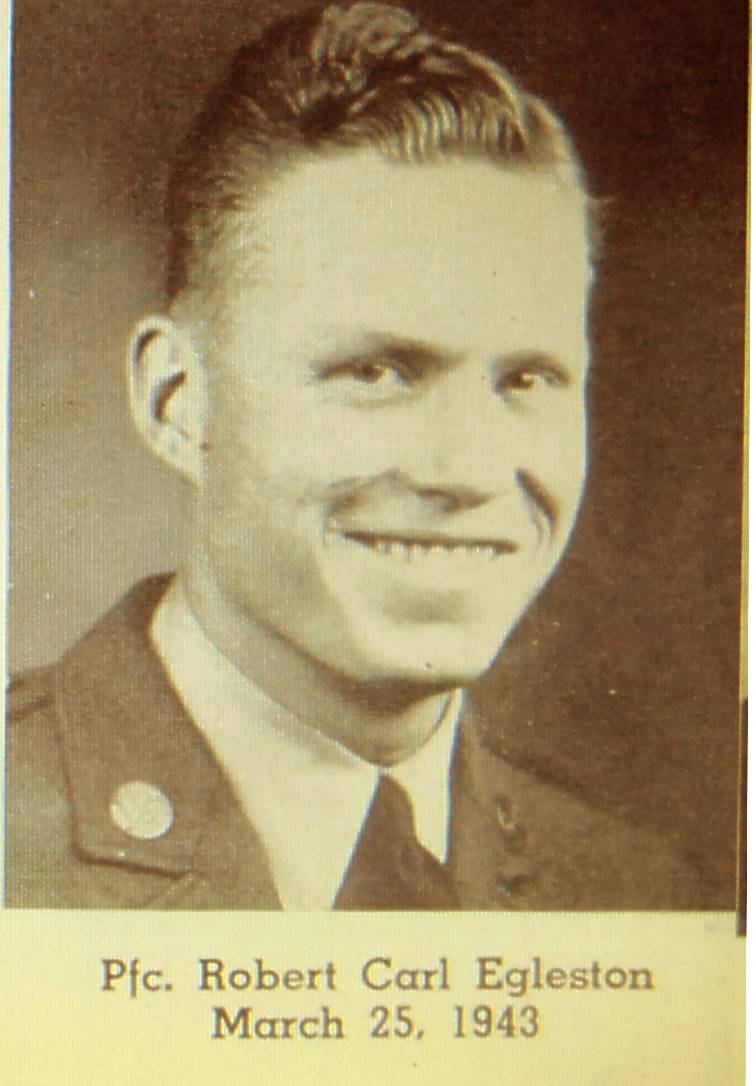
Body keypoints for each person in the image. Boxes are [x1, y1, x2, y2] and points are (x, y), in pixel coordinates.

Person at [6, 1, 700, 909]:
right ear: (177, 401)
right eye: (376, 371)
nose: (467, 471)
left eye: (527, 379)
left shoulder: (640, 894)